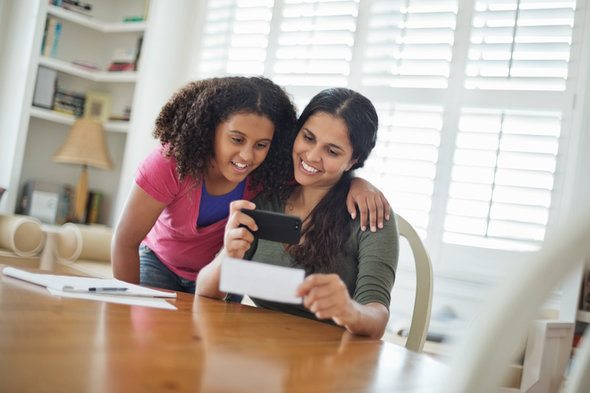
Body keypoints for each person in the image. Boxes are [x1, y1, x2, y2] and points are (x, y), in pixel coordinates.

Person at [112, 77, 391, 294]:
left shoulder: (272, 168)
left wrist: (357, 182)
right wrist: (128, 306)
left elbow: (322, 172)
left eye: (261, 145)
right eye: (236, 139)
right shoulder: (173, 163)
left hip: (225, 274)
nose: (247, 156)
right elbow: (125, 242)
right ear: (211, 130)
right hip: (161, 263)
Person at [196, 87, 399, 339]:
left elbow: (376, 318)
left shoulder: (371, 217)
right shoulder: (266, 202)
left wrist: (349, 310)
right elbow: (206, 292)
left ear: (354, 160)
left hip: (327, 361)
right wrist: (229, 253)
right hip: (256, 353)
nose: (312, 156)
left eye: (332, 151)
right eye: (308, 137)